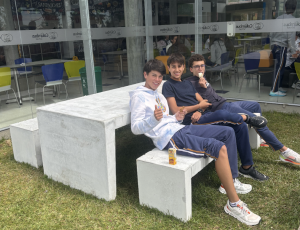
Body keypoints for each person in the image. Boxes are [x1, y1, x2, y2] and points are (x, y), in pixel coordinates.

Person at [129, 59, 261, 226]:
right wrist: (152, 120)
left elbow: (165, 117)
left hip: (179, 127)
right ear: (145, 75)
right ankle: (234, 204)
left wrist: (175, 117)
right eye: (153, 76)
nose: (157, 80)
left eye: (160, 77)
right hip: (169, 138)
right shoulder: (139, 97)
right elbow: (135, 128)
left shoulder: (159, 95)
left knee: (227, 132)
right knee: (217, 147)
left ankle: (230, 180)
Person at [162, 53, 270, 181]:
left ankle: (247, 167)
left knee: (239, 127)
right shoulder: (168, 85)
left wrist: (200, 110)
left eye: (179, 66)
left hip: (202, 116)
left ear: (184, 68)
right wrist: (198, 107)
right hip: (190, 122)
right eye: (173, 67)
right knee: (222, 114)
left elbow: (204, 103)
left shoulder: (188, 84)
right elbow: (175, 110)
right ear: (168, 68)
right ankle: (247, 118)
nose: (177, 70)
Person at [185, 54, 300, 166]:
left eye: (202, 65)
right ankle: (284, 152)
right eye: (197, 66)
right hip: (222, 108)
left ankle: (259, 137)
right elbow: (198, 102)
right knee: (257, 120)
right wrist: (202, 98)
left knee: (255, 105)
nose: (200, 68)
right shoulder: (190, 84)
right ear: (191, 69)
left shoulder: (202, 78)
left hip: (226, 103)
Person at [269, 0, 298, 97]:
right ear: (294, 9)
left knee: (280, 68)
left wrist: (272, 44)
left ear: (285, 8)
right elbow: (291, 38)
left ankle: (278, 87)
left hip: (275, 46)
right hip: (281, 47)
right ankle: (274, 90)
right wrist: (294, 51)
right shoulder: (292, 20)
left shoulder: (278, 18)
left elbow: (271, 33)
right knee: (279, 69)